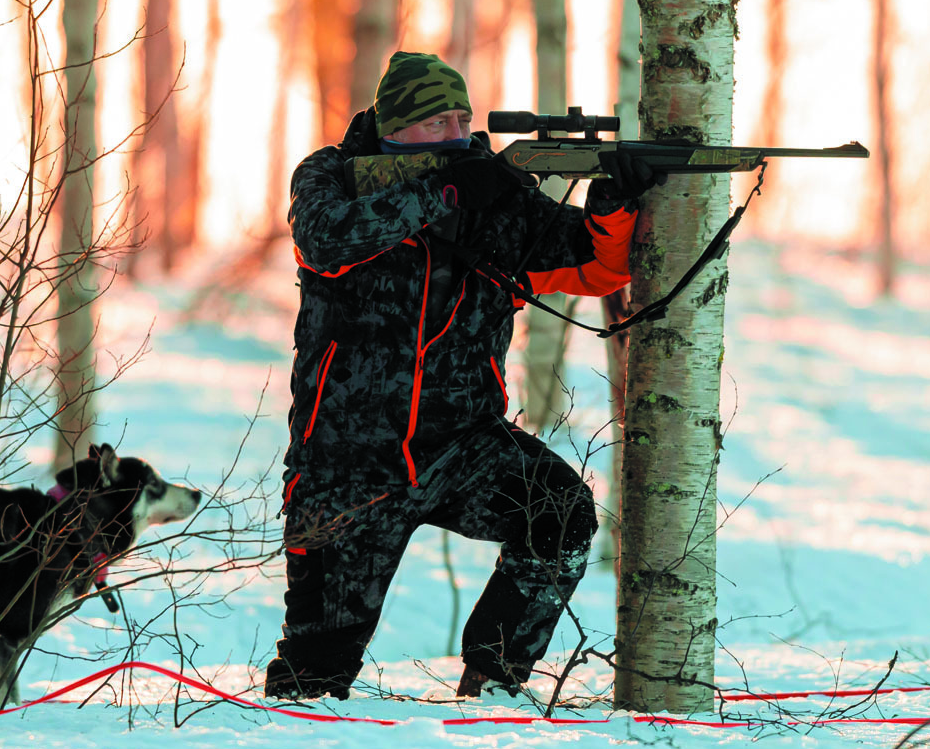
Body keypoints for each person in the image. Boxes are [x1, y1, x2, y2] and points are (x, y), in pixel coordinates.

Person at [265, 51, 664, 700]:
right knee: (314, 674)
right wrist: (443, 192)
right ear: (394, 127)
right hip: (347, 461)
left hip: (463, 445)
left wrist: (613, 203)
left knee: (560, 513)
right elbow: (324, 239)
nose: (454, 134)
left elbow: (594, 266)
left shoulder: (499, 196)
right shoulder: (333, 175)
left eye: (460, 118)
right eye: (434, 123)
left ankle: (494, 683)